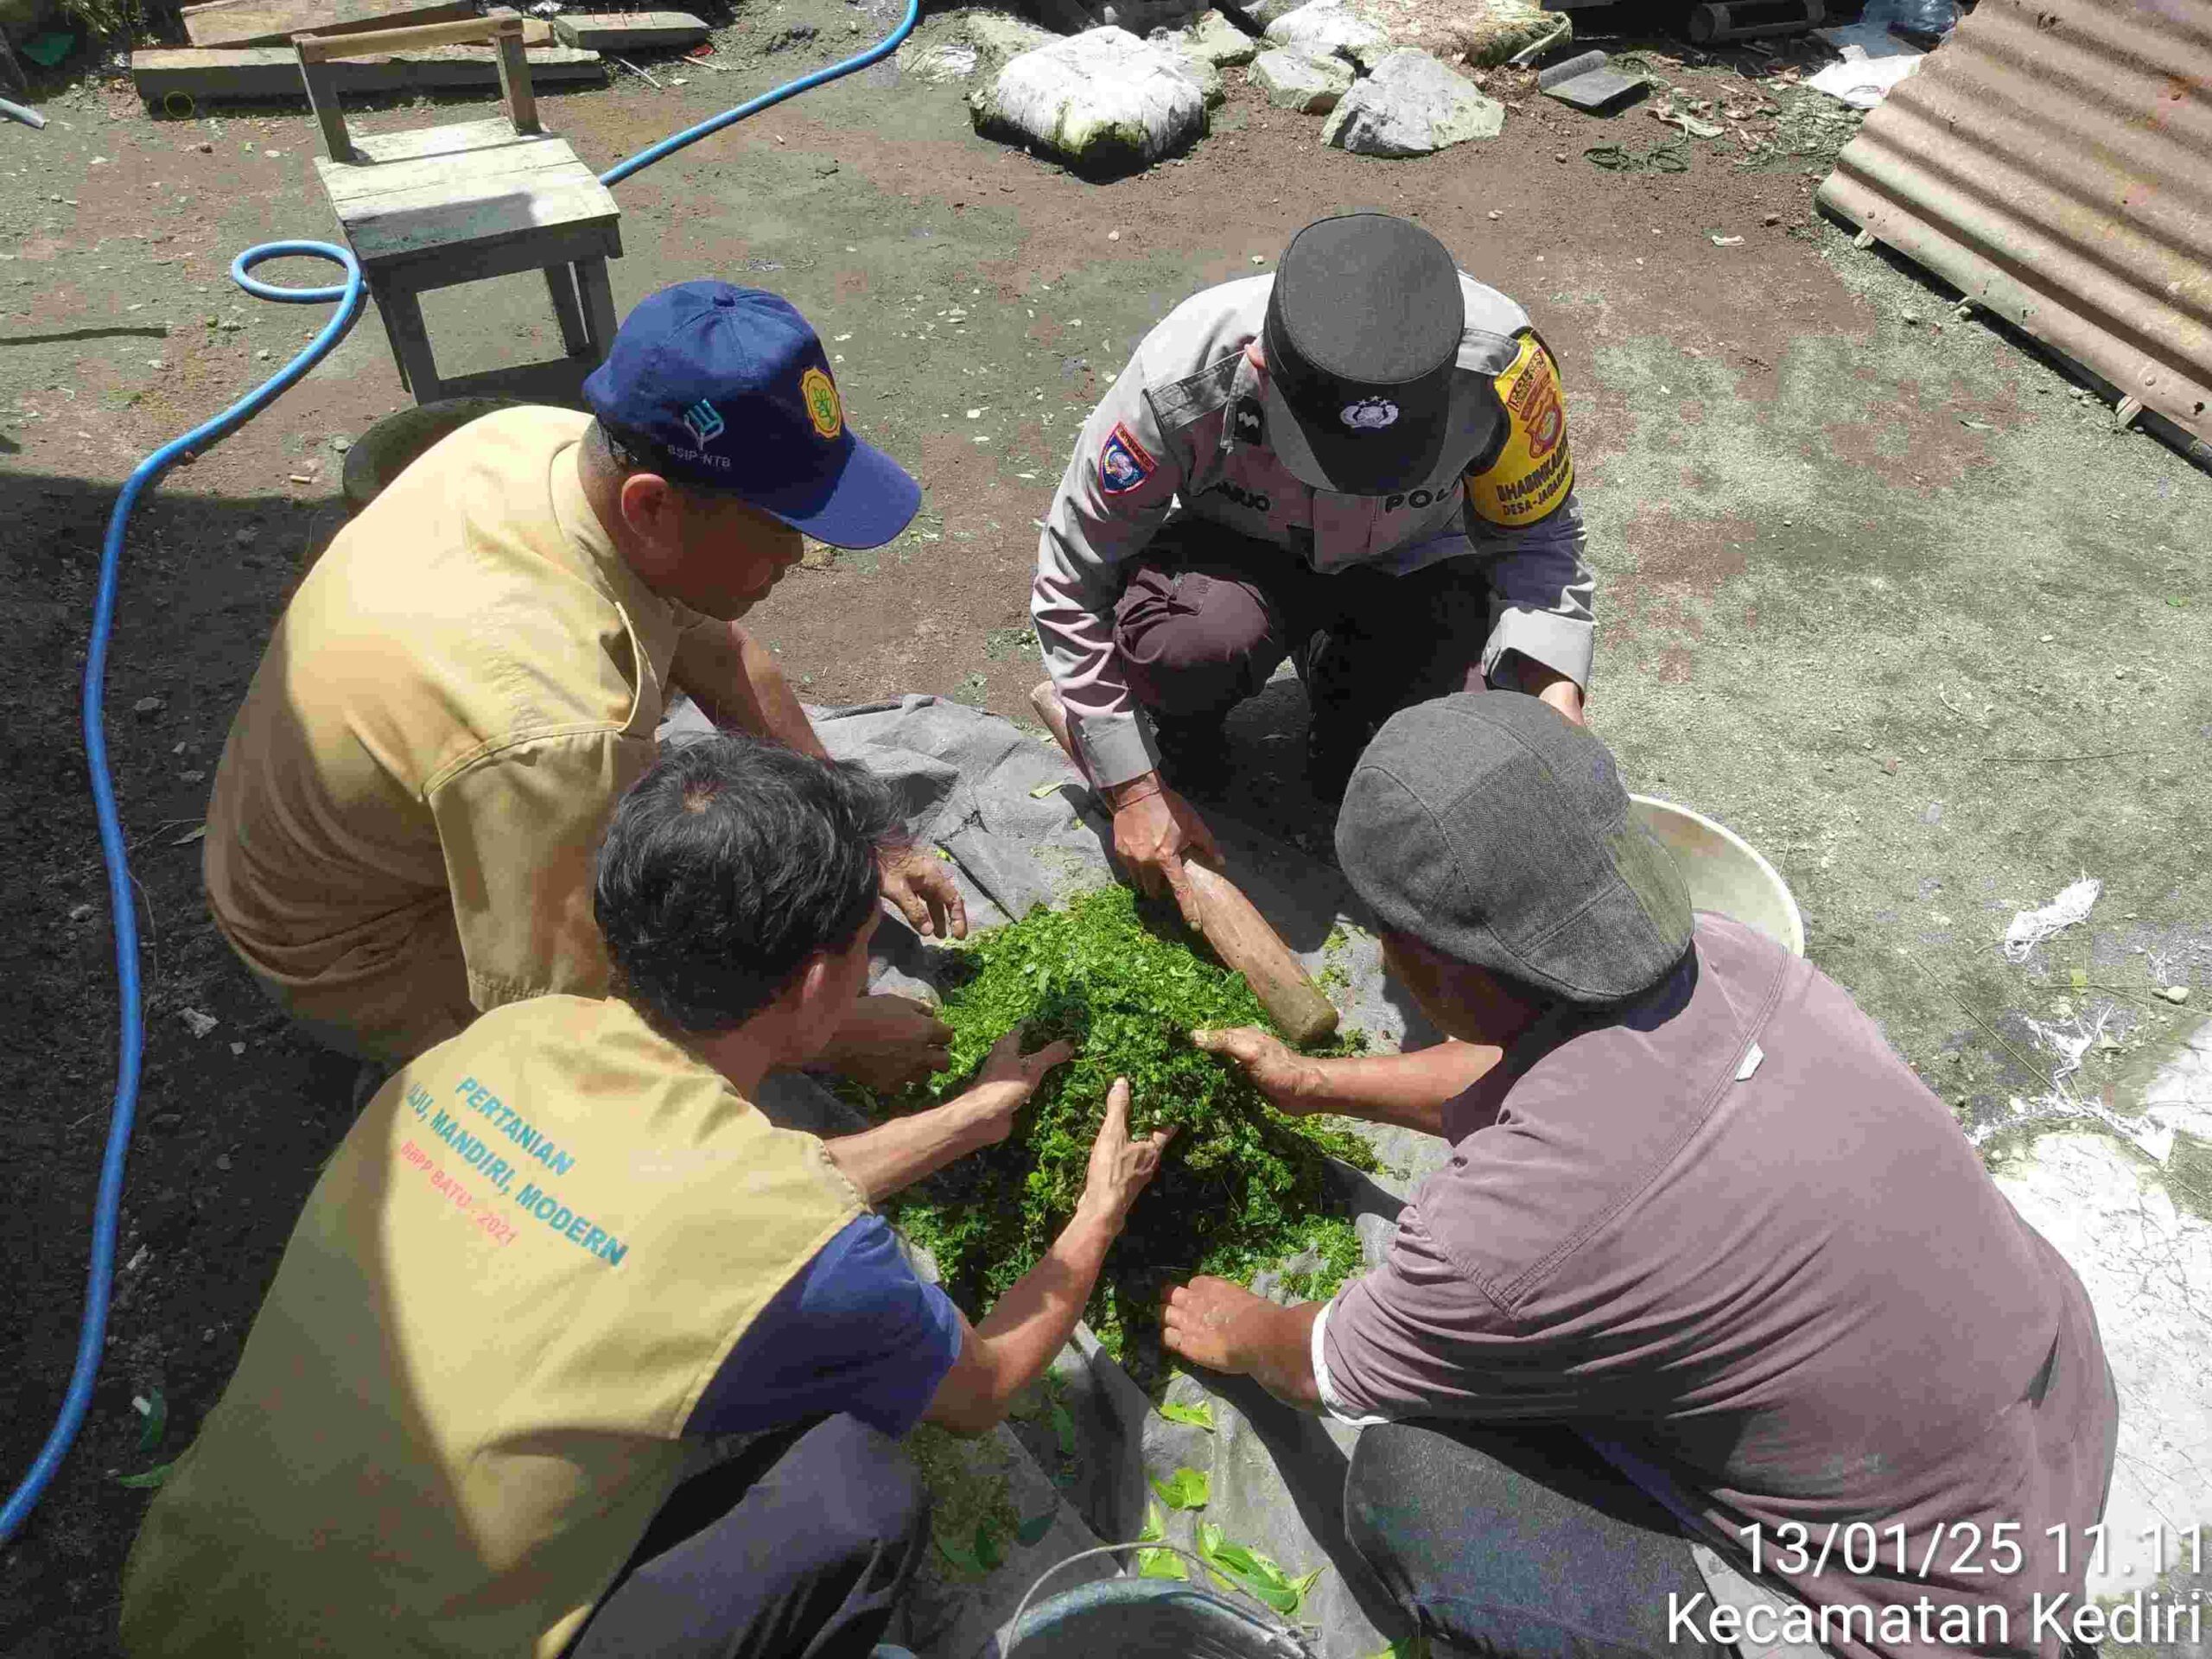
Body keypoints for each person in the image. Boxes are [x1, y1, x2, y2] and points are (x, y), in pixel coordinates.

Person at [121, 733, 1172, 1659]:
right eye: (861, 955)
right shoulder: (804, 1247)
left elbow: (682, 1203)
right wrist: (1098, 1209)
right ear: (814, 985)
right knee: (859, 1491)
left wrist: (969, 1119)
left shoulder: (493, 1045)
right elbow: (982, 1386)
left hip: (180, 1604)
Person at [1161, 694, 2117, 1659]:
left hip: (1932, 1619)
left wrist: (1237, 1328)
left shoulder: (1501, 1239)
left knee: (1415, 1483)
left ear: (1428, 966)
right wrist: (1315, 1087)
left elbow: (1318, 1364)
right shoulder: (1736, 959)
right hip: (2053, 1428)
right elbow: (1531, 1074)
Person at [202, 280, 964, 1077]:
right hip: (356, 949)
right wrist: (826, 1039)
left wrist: (861, 828)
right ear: (653, 509)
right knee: (632, 1083)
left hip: (366, 820)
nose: (798, 558)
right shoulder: (554, 727)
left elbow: (721, 652)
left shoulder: (543, 445)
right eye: (779, 530)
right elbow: (569, 1016)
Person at [1032, 212, 1593, 925]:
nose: (1350, 487)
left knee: (1432, 757)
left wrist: (1553, 696)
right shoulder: (1181, 376)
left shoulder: (1504, 369)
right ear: (1262, 369)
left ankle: (1347, 692)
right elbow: (1073, 579)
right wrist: (1132, 790)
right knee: (1188, 650)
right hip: (1240, 553)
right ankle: (1190, 727)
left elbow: (1539, 539)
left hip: (1411, 561)